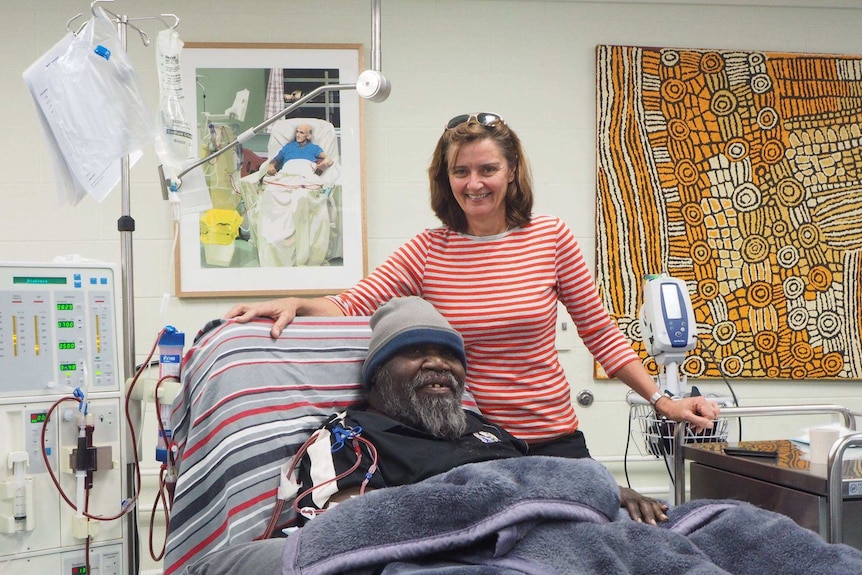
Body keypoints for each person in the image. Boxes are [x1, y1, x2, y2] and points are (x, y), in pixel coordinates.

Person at [227, 112, 720, 455]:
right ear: (446, 178)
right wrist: (295, 301)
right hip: (475, 443)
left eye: (488, 169)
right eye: (460, 171)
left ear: (511, 173)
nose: (474, 183)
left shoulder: (550, 237)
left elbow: (601, 335)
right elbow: (356, 303)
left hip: (556, 438)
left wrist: (663, 400)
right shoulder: (428, 249)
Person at [292, 296, 668, 525]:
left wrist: (609, 489)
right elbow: (336, 519)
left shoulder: (481, 428)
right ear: (377, 375)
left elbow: (540, 474)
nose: (438, 364)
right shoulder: (351, 438)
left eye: (450, 355)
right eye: (416, 353)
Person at [265, 124, 332, 176]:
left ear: (308, 136)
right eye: (297, 132)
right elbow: (276, 159)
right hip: (288, 172)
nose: (297, 135)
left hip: (305, 174)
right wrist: (271, 166)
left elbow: (328, 158)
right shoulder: (288, 147)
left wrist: (323, 164)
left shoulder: (314, 148)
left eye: (301, 133)